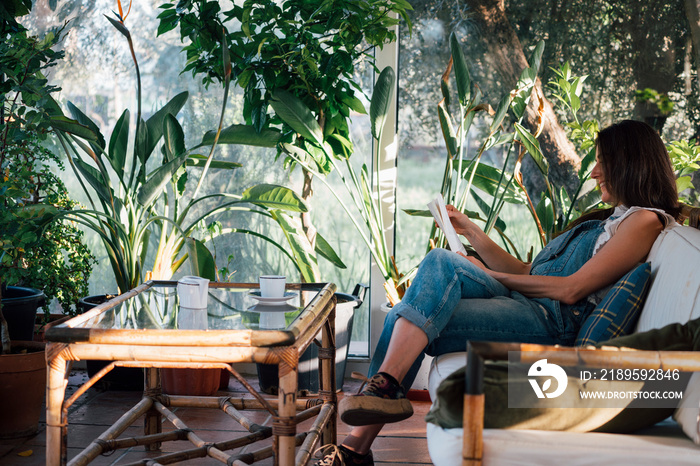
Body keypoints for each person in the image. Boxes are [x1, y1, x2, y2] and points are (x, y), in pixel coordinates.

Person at [314, 120, 680, 466]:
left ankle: (369, 420)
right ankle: (367, 428)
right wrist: (470, 230)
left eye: (603, 163)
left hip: (553, 323)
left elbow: (572, 289)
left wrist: (489, 275)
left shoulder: (645, 220)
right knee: (420, 293)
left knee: (421, 292)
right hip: (529, 306)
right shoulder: (609, 218)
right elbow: (526, 271)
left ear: (630, 164)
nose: (595, 172)